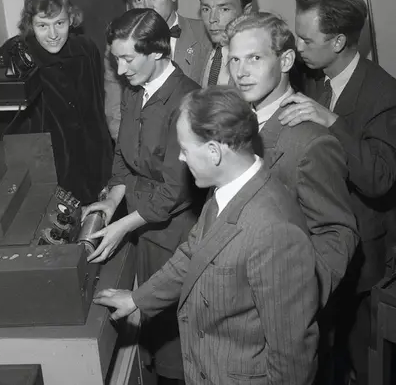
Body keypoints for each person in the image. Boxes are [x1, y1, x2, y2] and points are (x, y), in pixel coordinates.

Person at [94, 87, 319, 385]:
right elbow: (193, 254)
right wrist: (137, 299)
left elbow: (291, 362)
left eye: (185, 149)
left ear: (214, 152)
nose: (180, 158)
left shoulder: (275, 232)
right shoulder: (225, 191)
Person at [278, 0, 396, 385]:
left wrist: (331, 121)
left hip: (360, 260)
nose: (298, 46)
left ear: (339, 41)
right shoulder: (309, 75)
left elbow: (379, 179)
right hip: (311, 245)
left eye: (306, 39)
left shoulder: (384, 92)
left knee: (360, 362)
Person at [82, 8, 201, 385]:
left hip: (176, 233)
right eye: (115, 59)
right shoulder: (135, 91)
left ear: (158, 52)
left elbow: (175, 189)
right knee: (150, 325)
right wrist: (111, 201)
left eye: (128, 59)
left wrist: (122, 226)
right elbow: (123, 154)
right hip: (143, 227)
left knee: (175, 337)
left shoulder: (188, 100)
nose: (120, 70)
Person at [226, 12, 358, 306]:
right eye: (234, 60)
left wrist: (297, 301)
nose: (241, 72)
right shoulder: (236, 120)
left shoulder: (311, 141)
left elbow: (336, 235)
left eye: (254, 58)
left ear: (286, 61)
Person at [17, 0, 113, 205]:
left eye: (59, 23)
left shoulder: (87, 49)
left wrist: (108, 169)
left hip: (95, 167)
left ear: (71, 19)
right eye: (43, 25)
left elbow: (98, 112)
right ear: (30, 24)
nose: (53, 35)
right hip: (52, 176)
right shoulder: (23, 62)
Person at [104, 0, 211, 139]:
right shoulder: (117, 46)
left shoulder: (205, 35)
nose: (147, 6)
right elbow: (114, 110)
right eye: (138, 0)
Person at [193, 0, 255, 86]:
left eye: (224, 9)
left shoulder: (255, 63)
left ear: (246, 12)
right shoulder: (196, 49)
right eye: (206, 9)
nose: (212, 19)